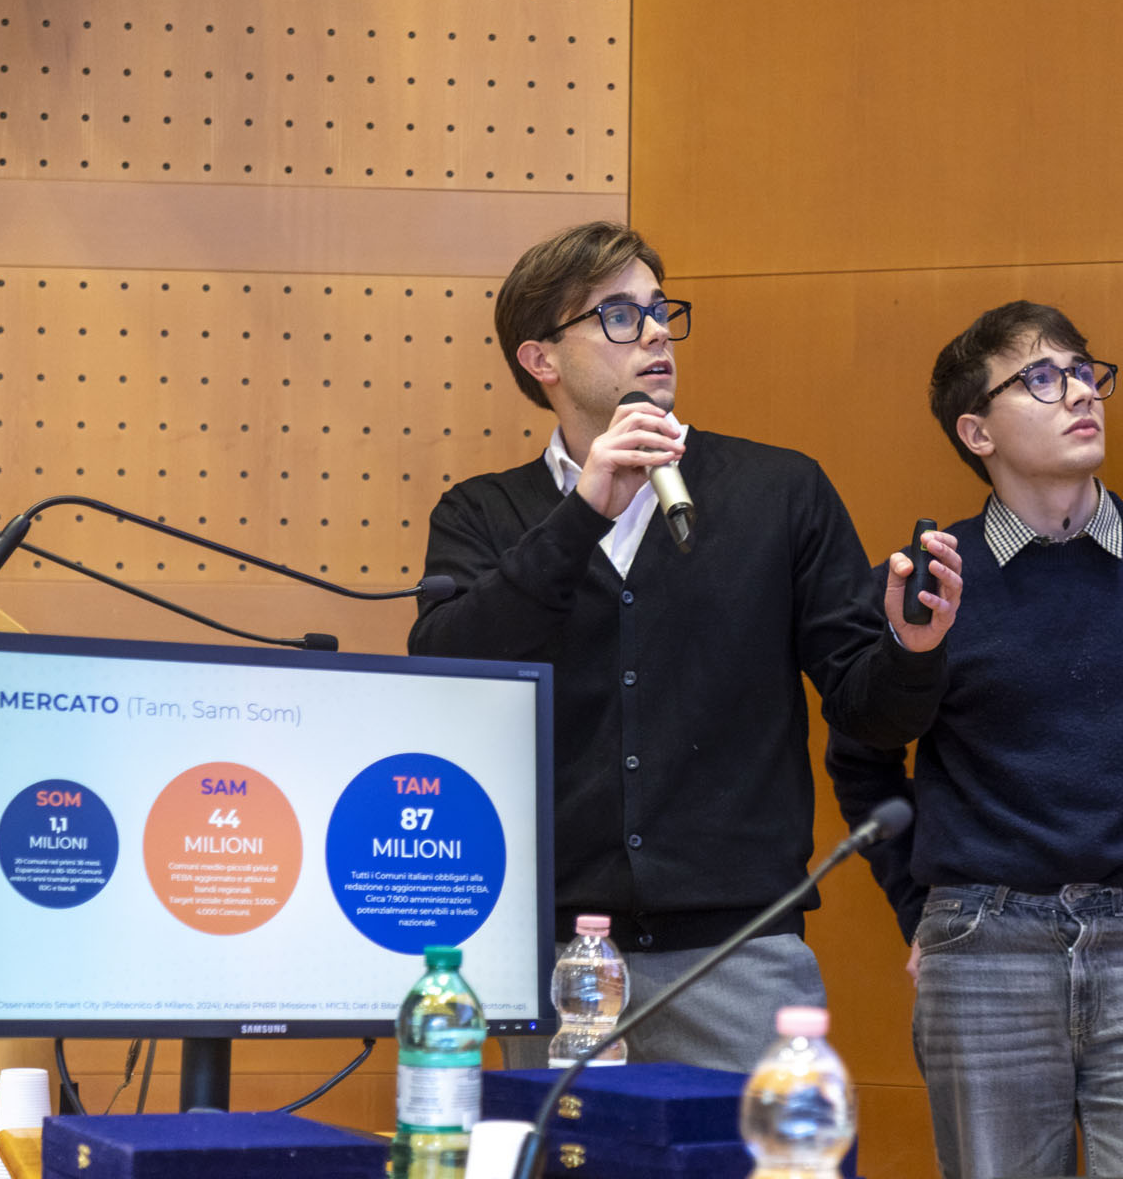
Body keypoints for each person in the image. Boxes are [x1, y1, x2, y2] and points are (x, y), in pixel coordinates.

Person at [407, 221, 964, 1072]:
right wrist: (582, 516)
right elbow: (447, 673)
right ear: (540, 359)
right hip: (558, 958)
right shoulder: (482, 513)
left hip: (741, 952)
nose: (656, 333)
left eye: (661, 310)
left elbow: (870, 713)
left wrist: (911, 648)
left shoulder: (779, 491)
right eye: (618, 315)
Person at [827, 301, 1123, 1179]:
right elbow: (863, 758)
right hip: (985, 944)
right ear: (976, 431)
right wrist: (918, 909)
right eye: (1041, 379)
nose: (1080, 393)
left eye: (1085, 372)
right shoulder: (929, 581)